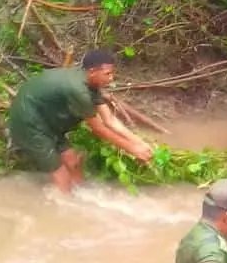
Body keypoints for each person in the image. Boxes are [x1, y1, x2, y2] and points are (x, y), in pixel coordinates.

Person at [8, 50, 153, 192]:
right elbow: (98, 129)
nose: (111, 78)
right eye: (107, 74)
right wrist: (132, 149)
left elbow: (109, 120)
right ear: (93, 71)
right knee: (61, 175)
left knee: (73, 162)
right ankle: (66, 206)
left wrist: (139, 143)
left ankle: (82, 194)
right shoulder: (78, 91)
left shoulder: (89, 82)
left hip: (47, 119)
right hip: (28, 122)